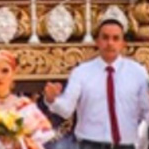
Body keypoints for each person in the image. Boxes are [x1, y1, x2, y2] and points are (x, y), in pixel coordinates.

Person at [44, 18, 149, 149]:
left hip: (125, 145)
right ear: (97, 42)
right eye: (105, 38)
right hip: (89, 144)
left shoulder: (137, 72)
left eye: (116, 38)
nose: (110, 43)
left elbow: (147, 110)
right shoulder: (81, 72)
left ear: (123, 44)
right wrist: (52, 99)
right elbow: (66, 110)